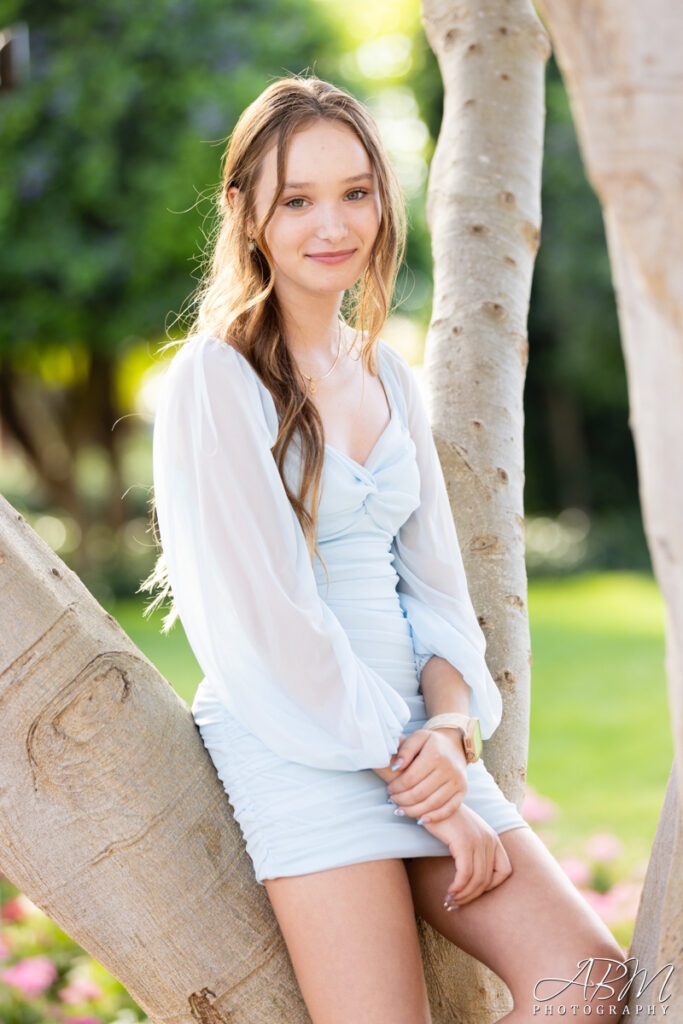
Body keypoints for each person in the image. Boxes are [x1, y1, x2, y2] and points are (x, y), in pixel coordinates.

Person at [142, 73, 627, 1024]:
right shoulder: (214, 379)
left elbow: (438, 595)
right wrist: (420, 780)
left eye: (355, 193)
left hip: (422, 745)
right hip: (304, 745)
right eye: (298, 199)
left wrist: (448, 735)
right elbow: (271, 627)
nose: (334, 225)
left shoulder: (386, 375)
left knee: (588, 984)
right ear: (244, 214)